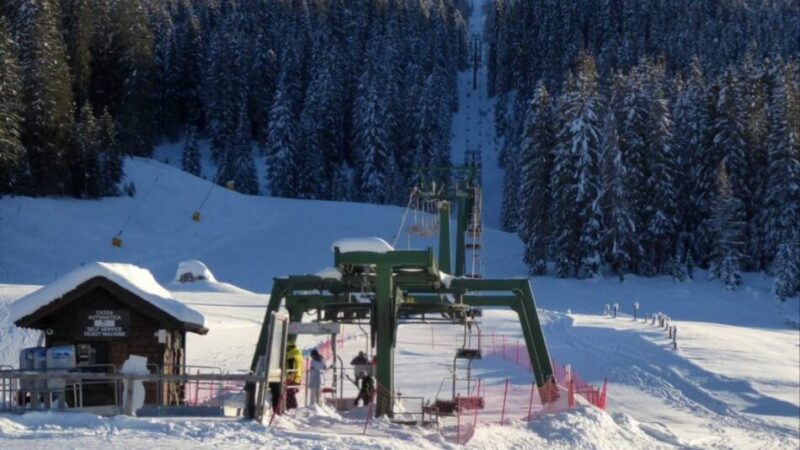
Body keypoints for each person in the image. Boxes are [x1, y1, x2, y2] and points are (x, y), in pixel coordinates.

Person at [285, 343, 304, 409]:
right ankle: (293, 406)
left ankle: (291, 407)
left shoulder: (291, 356)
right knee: (292, 393)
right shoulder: (299, 355)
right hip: (298, 377)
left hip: (291, 378)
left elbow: (291, 368)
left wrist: (289, 377)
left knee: (289, 393)